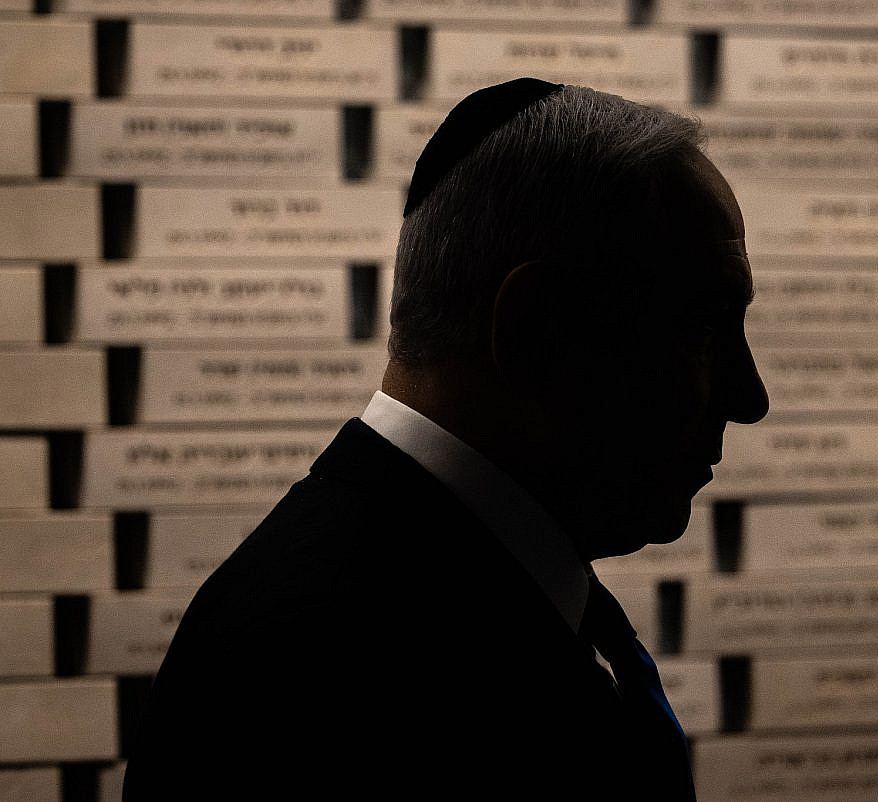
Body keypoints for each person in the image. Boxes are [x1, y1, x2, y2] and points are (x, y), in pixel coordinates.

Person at [121, 79, 768, 800]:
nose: (750, 399)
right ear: (538, 331)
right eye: (705, 326)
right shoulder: (338, 668)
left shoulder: (380, 599)